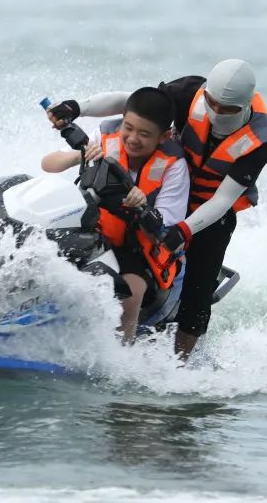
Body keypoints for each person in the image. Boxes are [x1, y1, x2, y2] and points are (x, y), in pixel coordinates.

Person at [46, 59, 267, 360]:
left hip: (209, 211)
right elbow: (135, 104)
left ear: (245, 104)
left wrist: (181, 231)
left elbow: (223, 200)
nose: (217, 113)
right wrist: (78, 108)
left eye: (228, 109)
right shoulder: (188, 92)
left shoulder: (261, 136)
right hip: (156, 194)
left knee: (199, 290)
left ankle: (179, 366)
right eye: (213, 104)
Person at [41, 87, 190, 344]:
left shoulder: (175, 166)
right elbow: (48, 164)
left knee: (129, 292)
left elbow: (167, 224)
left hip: (137, 250)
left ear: (163, 136)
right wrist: (81, 156)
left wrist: (144, 206)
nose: (132, 138)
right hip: (92, 232)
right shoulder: (105, 136)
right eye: (128, 128)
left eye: (144, 134)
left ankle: (121, 356)